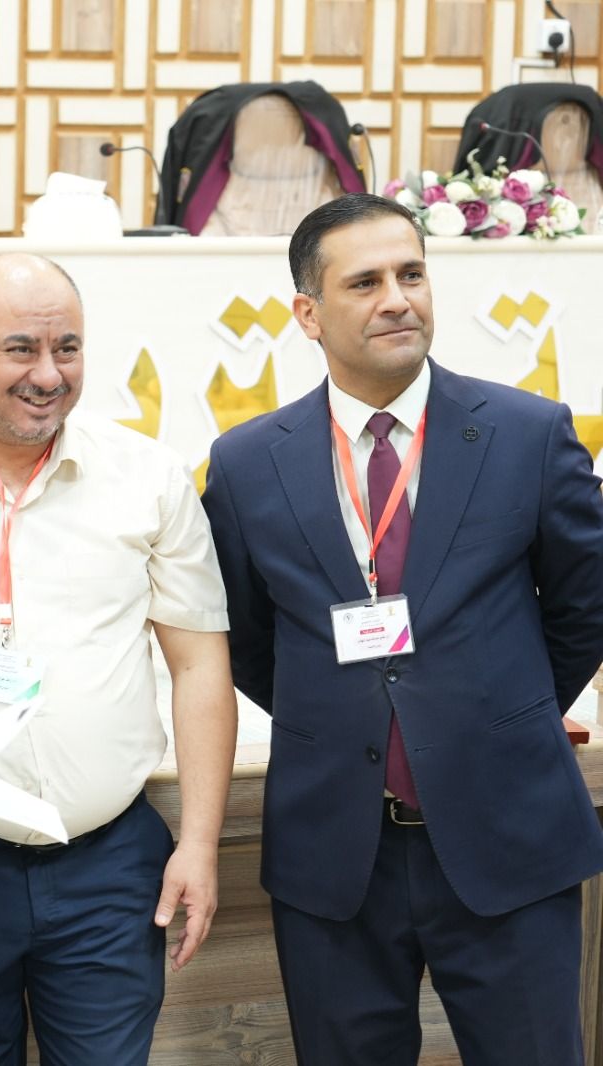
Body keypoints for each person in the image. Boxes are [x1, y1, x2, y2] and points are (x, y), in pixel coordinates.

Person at [202, 193, 603, 1066]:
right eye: (365, 282)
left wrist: (498, 711)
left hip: (508, 834)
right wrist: (345, 711)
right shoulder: (246, 464)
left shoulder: (529, 434)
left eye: (412, 274)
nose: (397, 299)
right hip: (335, 855)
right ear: (308, 313)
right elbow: (246, 638)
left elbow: (586, 606)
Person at [0, 252, 238, 1065]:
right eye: (20, 349)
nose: (48, 374)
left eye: (67, 348)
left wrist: (200, 843)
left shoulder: (147, 476)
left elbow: (200, 666)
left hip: (108, 867)